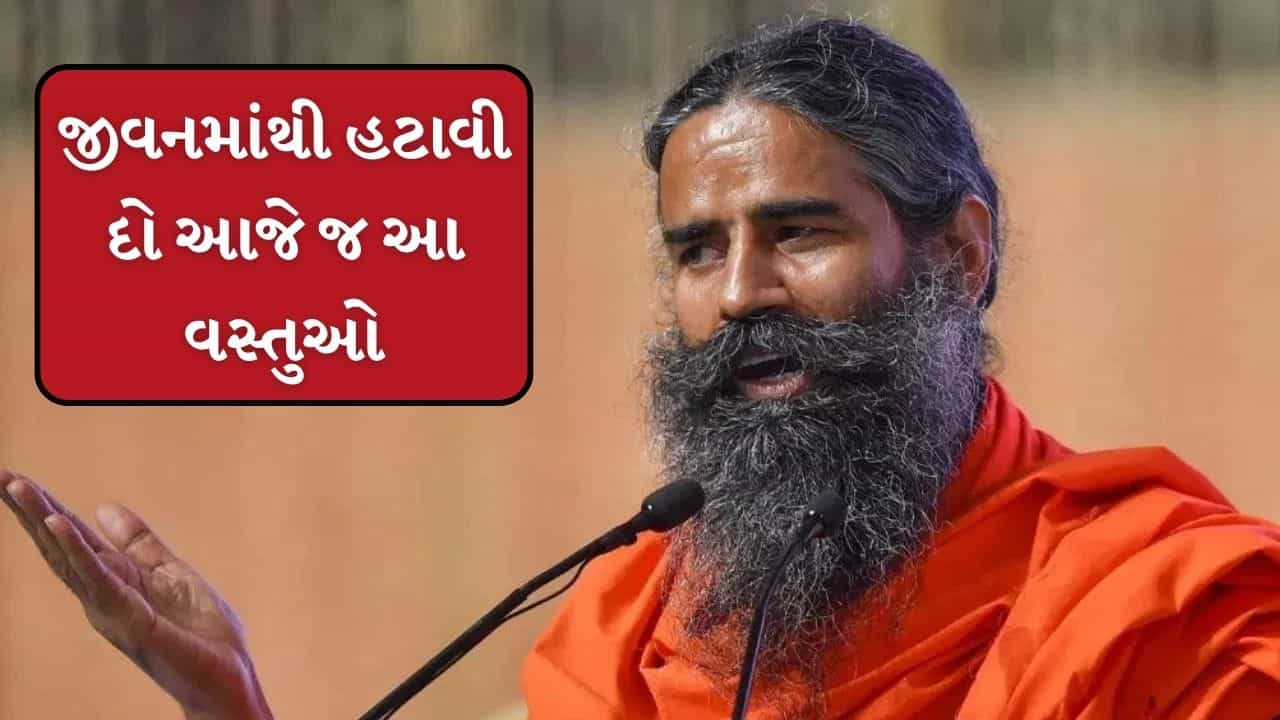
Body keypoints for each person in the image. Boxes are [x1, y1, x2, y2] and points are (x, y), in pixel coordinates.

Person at [6, 18, 1280, 720]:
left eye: (799, 232)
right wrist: (235, 710)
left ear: (956, 253)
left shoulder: (1166, 620)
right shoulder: (627, 628)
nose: (737, 295)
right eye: (694, 250)